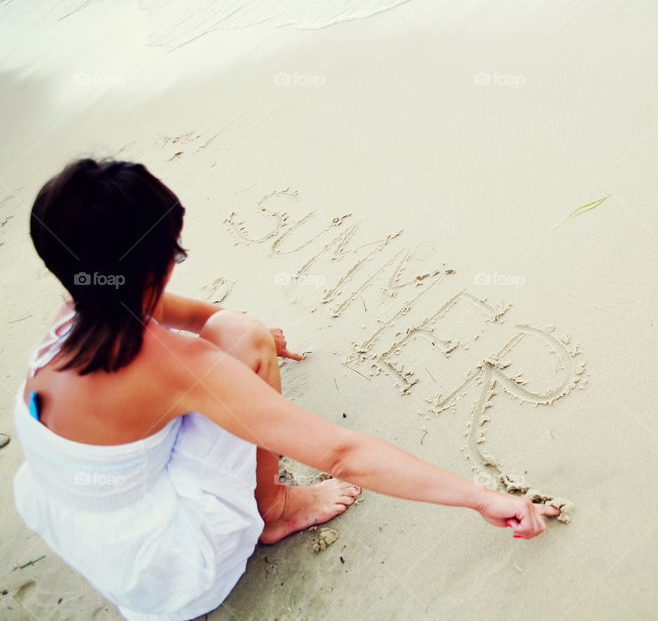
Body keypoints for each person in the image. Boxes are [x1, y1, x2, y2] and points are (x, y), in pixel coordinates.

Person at [13, 158, 559, 621]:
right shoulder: (171, 365)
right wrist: (480, 497)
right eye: (172, 254)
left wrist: (251, 339)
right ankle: (275, 511)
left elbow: (202, 315)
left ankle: (254, 440)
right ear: (149, 266)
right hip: (174, 568)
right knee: (243, 338)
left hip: (90, 528)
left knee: (243, 333)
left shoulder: (79, 312)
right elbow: (341, 452)